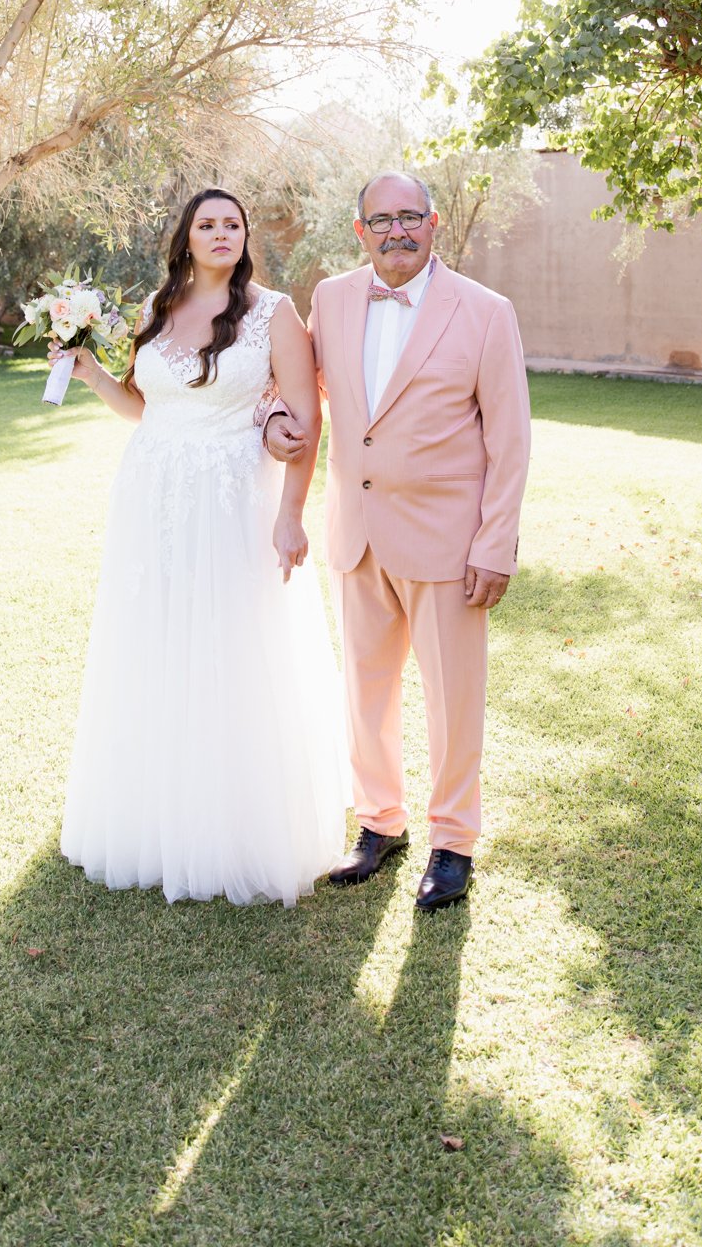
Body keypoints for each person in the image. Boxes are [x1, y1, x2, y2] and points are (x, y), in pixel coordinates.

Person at [52, 188, 348, 907]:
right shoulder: (158, 307)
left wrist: (290, 516)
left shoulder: (273, 313)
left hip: (231, 503)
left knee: (229, 648)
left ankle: (234, 828)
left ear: (246, 238)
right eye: (206, 224)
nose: (221, 234)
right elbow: (147, 409)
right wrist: (91, 376)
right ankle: (153, 818)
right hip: (150, 500)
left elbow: (307, 424)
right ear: (185, 237)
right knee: (154, 642)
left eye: (232, 225)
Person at [266, 172, 530, 912]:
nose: (396, 232)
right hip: (355, 533)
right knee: (366, 693)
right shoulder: (332, 300)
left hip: (449, 545)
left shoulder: (485, 312)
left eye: (409, 217)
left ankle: (453, 843)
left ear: (433, 223)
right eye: (380, 220)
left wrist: (494, 544)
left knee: (453, 703)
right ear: (359, 231)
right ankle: (380, 824)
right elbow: (291, 384)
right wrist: (269, 420)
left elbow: (510, 439)